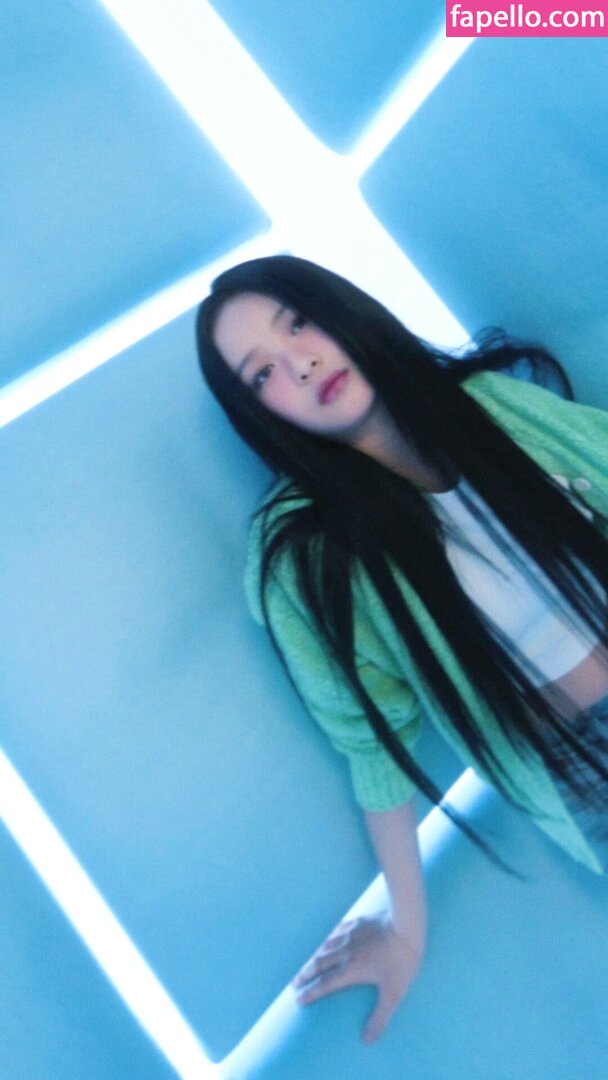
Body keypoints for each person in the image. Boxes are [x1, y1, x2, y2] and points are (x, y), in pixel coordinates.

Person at [196, 254, 608, 1044]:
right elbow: (371, 739)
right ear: (260, 414)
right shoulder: (312, 557)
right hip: (588, 768)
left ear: (341, 309)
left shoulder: (492, 407)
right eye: (262, 373)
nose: (298, 362)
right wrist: (405, 929)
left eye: (298, 323)